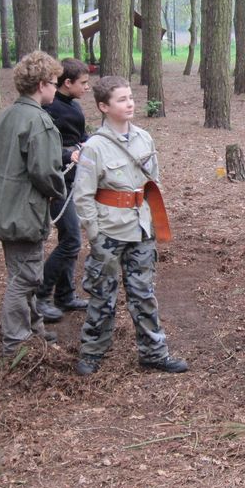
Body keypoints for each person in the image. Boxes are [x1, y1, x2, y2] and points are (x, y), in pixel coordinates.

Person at [72, 75, 188, 376]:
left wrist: (153, 221)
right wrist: (95, 235)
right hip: (109, 231)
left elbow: (153, 182)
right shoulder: (94, 147)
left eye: (131, 97)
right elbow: (83, 196)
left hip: (141, 229)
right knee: (102, 294)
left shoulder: (144, 138)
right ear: (104, 106)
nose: (130, 103)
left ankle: (154, 353)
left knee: (143, 293)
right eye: (121, 99)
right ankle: (92, 352)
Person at [0, 51, 67, 357]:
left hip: (3, 208)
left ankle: (34, 329)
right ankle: (15, 342)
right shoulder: (38, 121)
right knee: (25, 277)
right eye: (54, 83)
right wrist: (59, 190)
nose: (56, 89)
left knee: (24, 272)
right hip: (22, 212)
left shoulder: (8, 114)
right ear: (41, 85)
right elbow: (45, 171)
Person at [35, 58, 91, 322]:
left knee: (69, 238)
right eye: (83, 83)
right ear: (67, 83)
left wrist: (92, 144)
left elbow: (78, 136)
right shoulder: (49, 109)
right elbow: (45, 148)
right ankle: (39, 295)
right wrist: (69, 155)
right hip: (57, 183)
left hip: (73, 181)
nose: (87, 87)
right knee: (71, 241)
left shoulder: (73, 106)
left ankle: (65, 295)